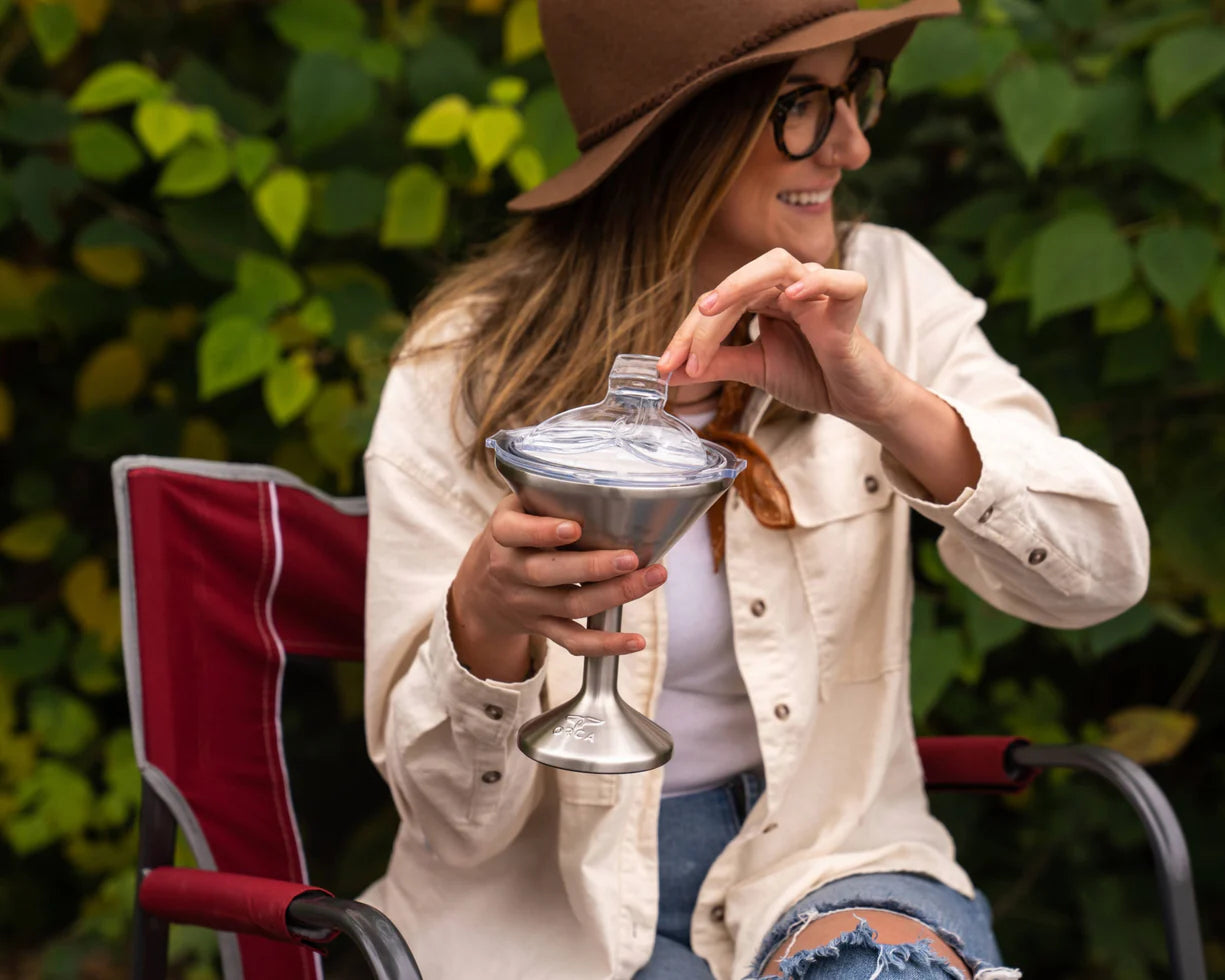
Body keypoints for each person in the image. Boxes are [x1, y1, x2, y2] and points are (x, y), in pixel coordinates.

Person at [360, 0, 1150, 977]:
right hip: (548, 915)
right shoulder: (464, 366)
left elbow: (1099, 580)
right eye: (802, 104)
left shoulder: (887, 292)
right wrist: (483, 618)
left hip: (830, 865)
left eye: (855, 91)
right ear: (683, 130)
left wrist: (885, 402)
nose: (851, 145)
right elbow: (451, 821)